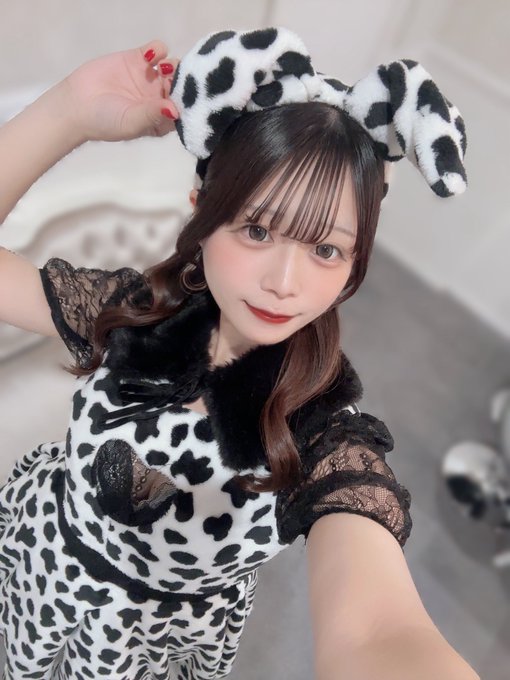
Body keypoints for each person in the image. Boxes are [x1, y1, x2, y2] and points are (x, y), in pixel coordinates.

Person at [0, 27, 478, 680]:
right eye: (257, 229)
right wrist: (71, 109)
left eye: (326, 249)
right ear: (202, 212)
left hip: (151, 644)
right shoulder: (135, 314)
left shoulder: (320, 428)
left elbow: (376, 630)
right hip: (44, 557)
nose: (285, 282)